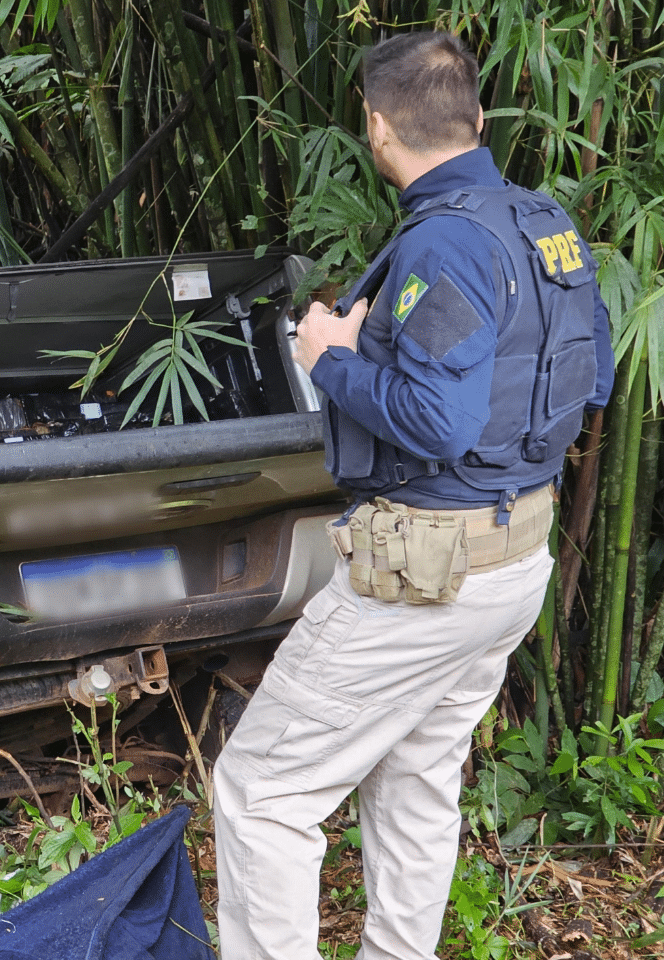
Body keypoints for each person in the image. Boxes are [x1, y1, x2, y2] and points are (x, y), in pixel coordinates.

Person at [213, 31, 613, 960]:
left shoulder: (447, 242)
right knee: (419, 776)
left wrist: (335, 357)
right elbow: (582, 386)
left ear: (377, 128)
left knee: (263, 792)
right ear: (477, 120)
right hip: (515, 556)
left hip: (427, 575)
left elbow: (435, 422)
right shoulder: (543, 221)